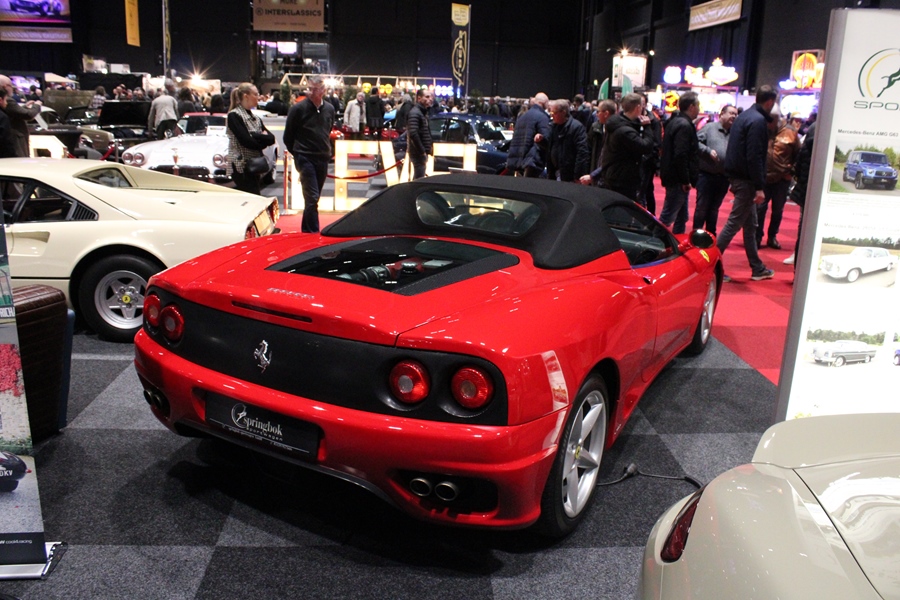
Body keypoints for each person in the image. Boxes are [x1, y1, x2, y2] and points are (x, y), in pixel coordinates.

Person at [717, 85, 778, 282]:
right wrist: (759, 186)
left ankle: (757, 267)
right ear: (770, 101)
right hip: (747, 180)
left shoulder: (744, 117)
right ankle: (710, 266)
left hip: (739, 177)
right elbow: (755, 156)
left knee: (750, 225)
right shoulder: (758, 121)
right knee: (734, 224)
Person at [283, 76, 335, 232]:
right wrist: (298, 154)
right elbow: (288, 136)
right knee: (311, 197)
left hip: (322, 157)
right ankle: (313, 232)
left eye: (315, 89)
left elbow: (327, 130)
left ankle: (306, 231)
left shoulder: (329, 109)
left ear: (323, 90)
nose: (310, 92)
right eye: (309, 88)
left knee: (314, 199)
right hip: (305, 157)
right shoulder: (298, 109)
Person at [600, 92, 657, 201]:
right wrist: (647, 127)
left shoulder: (618, 122)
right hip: (622, 178)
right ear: (638, 107)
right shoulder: (625, 130)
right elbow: (646, 147)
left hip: (615, 174)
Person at [756, 113, 800, 250]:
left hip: (782, 179)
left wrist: (791, 172)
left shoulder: (791, 132)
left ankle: (772, 236)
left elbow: (799, 155)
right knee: (759, 209)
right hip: (763, 177)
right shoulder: (762, 129)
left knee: (777, 210)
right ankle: (757, 237)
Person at [659, 91, 701, 233]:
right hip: (677, 178)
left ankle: (677, 242)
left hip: (674, 176)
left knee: (681, 217)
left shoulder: (676, 121)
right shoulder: (684, 125)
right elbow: (681, 155)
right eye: (698, 106)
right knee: (667, 217)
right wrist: (685, 180)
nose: (699, 109)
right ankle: (652, 242)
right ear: (691, 107)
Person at [693, 104, 738, 235]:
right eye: (731, 113)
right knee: (702, 208)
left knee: (714, 209)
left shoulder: (735, 133)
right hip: (706, 175)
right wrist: (707, 151)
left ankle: (710, 235)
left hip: (724, 177)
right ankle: (696, 235)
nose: (734, 116)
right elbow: (695, 142)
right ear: (721, 114)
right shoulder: (709, 127)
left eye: (735, 114)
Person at [225, 83, 275, 196]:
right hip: (241, 166)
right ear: (246, 96)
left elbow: (271, 139)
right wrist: (261, 139)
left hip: (255, 165)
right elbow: (246, 142)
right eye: (255, 94)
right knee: (252, 196)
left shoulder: (256, 118)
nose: (259, 97)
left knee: (253, 196)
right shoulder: (234, 115)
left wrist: (254, 135)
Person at [785, 121, 816, 268]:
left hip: (805, 191)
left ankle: (798, 266)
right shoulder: (816, 146)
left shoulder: (806, 147)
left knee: (803, 228)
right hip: (810, 190)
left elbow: (797, 168)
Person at [537, 99, 589, 183]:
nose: (552, 115)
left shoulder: (576, 127)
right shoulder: (553, 127)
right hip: (555, 172)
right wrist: (541, 141)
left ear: (563, 112)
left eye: (554, 113)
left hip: (569, 175)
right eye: (551, 112)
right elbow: (550, 147)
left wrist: (577, 175)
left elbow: (582, 152)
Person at [506, 92, 550, 177]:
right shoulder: (542, 117)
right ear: (543, 102)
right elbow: (546, 139)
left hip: (519, 161)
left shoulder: (522, 116)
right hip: (532, 162)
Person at [0, 74, 41, 158]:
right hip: (14, 142)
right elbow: (28, 115)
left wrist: (25, 107)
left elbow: (15, 112)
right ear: (5, 86)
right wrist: (37, 106)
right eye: (11, 86)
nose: (13, 88)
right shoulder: (8, 100)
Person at [580, 99, 618, 186]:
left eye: (598, 111)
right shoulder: (595, 127)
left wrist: (593, 175)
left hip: (610, 177)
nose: (596, 114)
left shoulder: (618, 131)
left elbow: (612, 159)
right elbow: (588, 150)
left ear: (606, 114)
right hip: (594, 174)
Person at [405, 88, 434, 180]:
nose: (430, 99)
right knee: (419, 178)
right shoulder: (415, 113)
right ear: (419, 98)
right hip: (417, 152)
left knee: (419, 177)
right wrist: (422, 151)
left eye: (431, 97)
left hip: (419, 151)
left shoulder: (421, 112)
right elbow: (413, 134)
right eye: (427, 97)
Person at [0, 89, 18, 159]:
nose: (6, 103)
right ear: (0, 100)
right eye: (5, 100)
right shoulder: (3, 117)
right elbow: (6, 141)